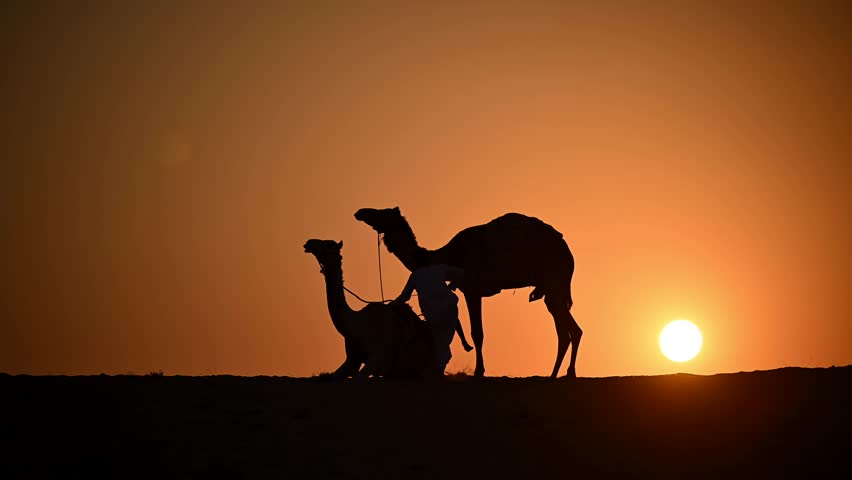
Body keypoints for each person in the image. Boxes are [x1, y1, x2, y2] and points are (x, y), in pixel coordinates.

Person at [391, 253, 465, 375]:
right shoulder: (439, 268)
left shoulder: (415, 275)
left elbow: (404, 296)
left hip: (434, 314)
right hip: (450, 311)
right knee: (442, 341)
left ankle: (438, 371)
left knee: (440, 341)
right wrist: (453, 285)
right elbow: (461, 272)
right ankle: (439, 369)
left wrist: (392, 305)